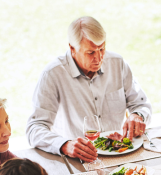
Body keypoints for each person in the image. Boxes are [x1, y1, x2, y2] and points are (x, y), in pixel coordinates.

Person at [26, 16, 152, 162]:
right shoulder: (52, 74)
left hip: (122, 154)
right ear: (72, 48)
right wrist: (65, 145)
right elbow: (34, 129)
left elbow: (142, 105)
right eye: (91, 52)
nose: (98, 58)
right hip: (78, 161)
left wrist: (138, 116)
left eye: (102, 49)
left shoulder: (118, 64)